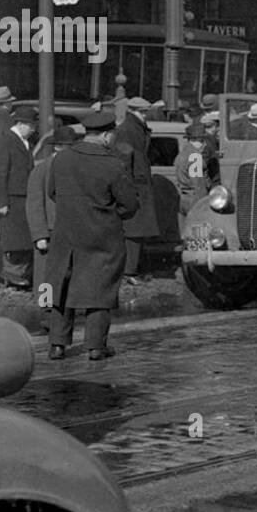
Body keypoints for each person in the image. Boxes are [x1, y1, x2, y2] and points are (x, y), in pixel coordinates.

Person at [43, 109, 140, 360]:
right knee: (101, 288)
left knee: (62, 285)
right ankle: (95, 346)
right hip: (103, 235)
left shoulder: (61, 159)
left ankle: (57, 344)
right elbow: (129, 205)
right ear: (107, 135)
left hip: (66, 233)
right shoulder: (113, 164)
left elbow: (52, 192)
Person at [27, 124, 78, 333]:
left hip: (73, 232)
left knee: (71, 275)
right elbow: (34, 204)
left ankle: (66, 315)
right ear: (56, 148)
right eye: (64, 147)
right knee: (46, 279)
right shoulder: (41, 170)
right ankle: (47, 316)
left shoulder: (78, 169)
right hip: (48, 233)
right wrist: (39, 234)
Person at [111, 95, 161, 283]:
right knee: (134, 230)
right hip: (135, 186)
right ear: (137, 112)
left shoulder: (133, 129)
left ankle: (132, 269)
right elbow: (124, 163)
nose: (145, 116)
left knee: (137, 230)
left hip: (139, 183)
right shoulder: (128, 130)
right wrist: (128, 189)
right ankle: (129, 271)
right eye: (144, 112)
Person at [0, 105, 36, 288]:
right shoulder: (6, 142)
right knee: (14, 240)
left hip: (22, 198)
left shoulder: (24, 143)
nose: (33, 130)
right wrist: (1, 202)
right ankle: (13, 275)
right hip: (12, 198)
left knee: (22, 239)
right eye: (31, 126)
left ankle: (20, 274)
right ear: (22, 124)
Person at [174, 122, 211, 218]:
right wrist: (203, 205)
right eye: (202, 141)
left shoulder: (183, 153)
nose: (205, 144)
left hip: (184, 198)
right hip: (195, 200)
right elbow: (198, 184)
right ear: (196, 140)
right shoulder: (195, 157)